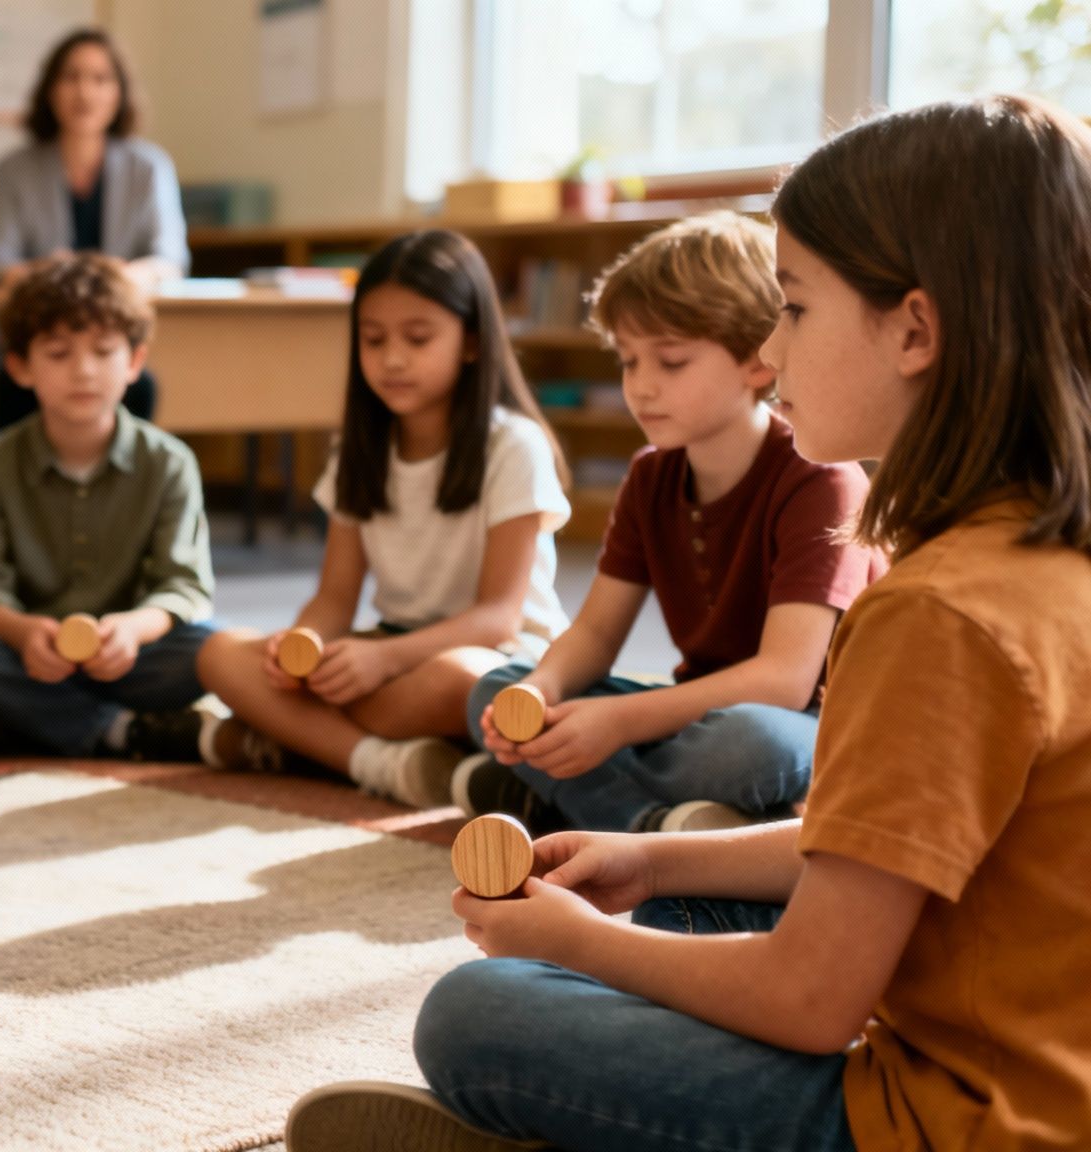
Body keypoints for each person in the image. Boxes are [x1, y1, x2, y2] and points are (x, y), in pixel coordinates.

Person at [288, 94, 1091, 1152]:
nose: (769, 343)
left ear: (912, 329)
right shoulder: (1037, 555)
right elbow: (883, 848)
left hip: (952, 1122)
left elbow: (812, 999)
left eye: (793, 308)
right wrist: (657, 862)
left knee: (478, 1013)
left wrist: (583, 948)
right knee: (685, 910)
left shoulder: (938, 612)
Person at [458, 214, 881, 835]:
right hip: (698, 710)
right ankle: (665, 825)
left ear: (757, 361)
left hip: (807, 724)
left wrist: (620, 726)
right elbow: (597, 633)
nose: (641, 387)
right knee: (493, 688)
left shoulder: (820, 478)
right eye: (629, 361)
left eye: (672, 362)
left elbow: (785, 681)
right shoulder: (650, 475)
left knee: (751, 745)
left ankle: (575, 801)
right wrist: (542, 691)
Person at [196, 231, 570, 808]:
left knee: (461, 679)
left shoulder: (512, 446)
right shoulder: (359, 448)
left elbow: (496, 618)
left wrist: (381, 661)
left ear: (471, 341)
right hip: (392, 651)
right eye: (373, 340)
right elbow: (334, 598)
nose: (392, 358)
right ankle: (383, 761)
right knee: (219, 653)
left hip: (498, 657)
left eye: (418, 338)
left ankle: (301, 740)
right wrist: (303, 646)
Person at [0, 253, 214, 761]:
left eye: (104, 351)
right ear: (21, 367)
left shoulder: (170, 462)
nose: (83, 370)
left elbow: (185, 587)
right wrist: (22, 633)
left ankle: (25, 723)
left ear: (133, 361)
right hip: (30, 656)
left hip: (132, 654)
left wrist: (132, 629)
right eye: (59, 353)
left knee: (213, 648)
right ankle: (126, 731)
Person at [0, 27, 187, 427]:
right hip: (39, 344)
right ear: (50, 89)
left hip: (114, 346)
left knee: (143, 388)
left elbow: (170, 259)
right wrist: (54, 278)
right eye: (71, 77)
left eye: (100, 79)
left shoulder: (149, 168)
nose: (85, 92)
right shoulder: (14, 170)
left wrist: (119, 277)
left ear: (119, 93)